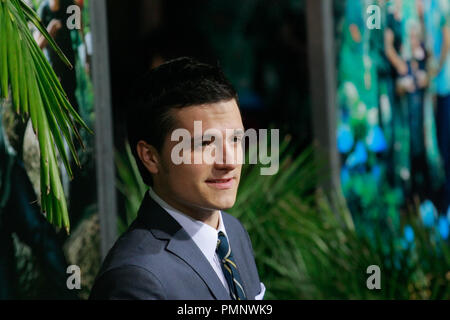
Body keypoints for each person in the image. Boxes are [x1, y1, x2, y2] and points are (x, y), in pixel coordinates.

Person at [89, 57, 265, 300]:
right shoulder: (136, 278)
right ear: (150, 157)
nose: (229, 162)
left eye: (236, 139)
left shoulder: (233, 232)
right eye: (205, 143)